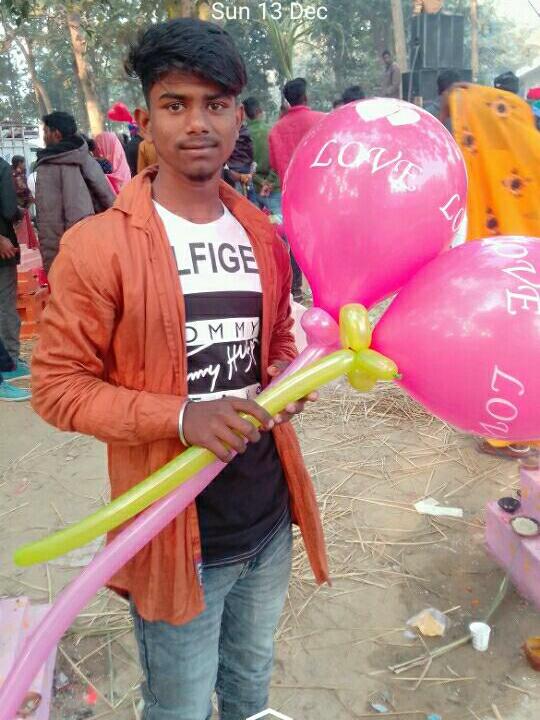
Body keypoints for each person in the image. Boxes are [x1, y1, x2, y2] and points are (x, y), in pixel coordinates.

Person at [31, 18, 327, 720]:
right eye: (176, 104)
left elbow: (277, 340)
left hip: (267, 518)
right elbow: (57, 388)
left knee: (251, 685)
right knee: (180, 706)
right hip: (174, 540)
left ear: (238, 116)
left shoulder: (262, 234)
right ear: (146, 119)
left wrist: (287, 380)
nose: (198, 123)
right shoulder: (98, 248)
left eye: (215, 104)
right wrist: (181, 416)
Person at [446, 81, 540, 461]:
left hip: (507, 273)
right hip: (524, 268)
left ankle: (515, 435)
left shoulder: (480, 161)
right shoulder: (528, 150)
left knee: (510, 348)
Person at [34, 111, 115, 273]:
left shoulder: (48, 166)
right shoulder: (86, 157)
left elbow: (49, 219)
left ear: (56, 134)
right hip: (94, 242)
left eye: (45, 131)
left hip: (67, 251)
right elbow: (108, 199)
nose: (44, 137)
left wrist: (52, 266)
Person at [269, 77, 325, 299]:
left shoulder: (276, 130)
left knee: (296, 241)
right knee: (321, 240)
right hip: (321, 194)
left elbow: (275, 164)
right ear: (305, 96)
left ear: (288, 101)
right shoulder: (322, 121)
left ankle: (296, 289)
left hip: (292, 196)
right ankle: (323, 287)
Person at [0, 157, 31, 399]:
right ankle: (8, 361)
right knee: (5, 303)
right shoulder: (1, 167)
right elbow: (9, 208)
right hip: (3, 245)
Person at [243, 96, 281, 215]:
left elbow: (244, 166)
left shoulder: (242, 135)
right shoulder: (273, 131)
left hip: (252, 188)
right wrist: (268, 182)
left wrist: (259, 181)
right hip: (273, 187)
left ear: (245, 114)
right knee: (279, 221)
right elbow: (278, 161)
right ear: (260, 111)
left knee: (256, 222)